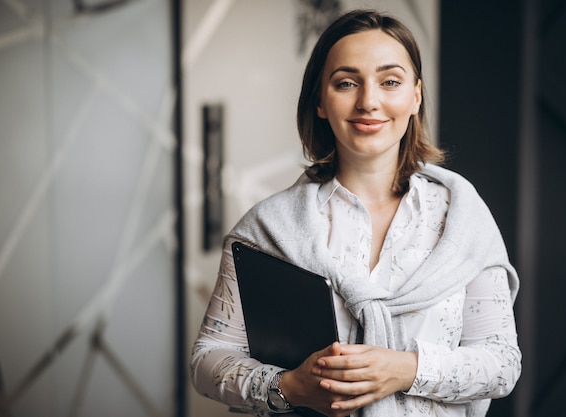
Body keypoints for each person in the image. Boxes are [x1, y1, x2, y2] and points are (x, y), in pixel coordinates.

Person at [190, 9, 521, 417]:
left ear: (415, 96)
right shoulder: (266, 230)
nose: (369, 101)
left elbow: (502, 364)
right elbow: (208, 360)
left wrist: (406, 370)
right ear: (320, 103)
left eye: (390, 82)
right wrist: (290, 386)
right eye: (346, 83)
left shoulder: (462, 219)